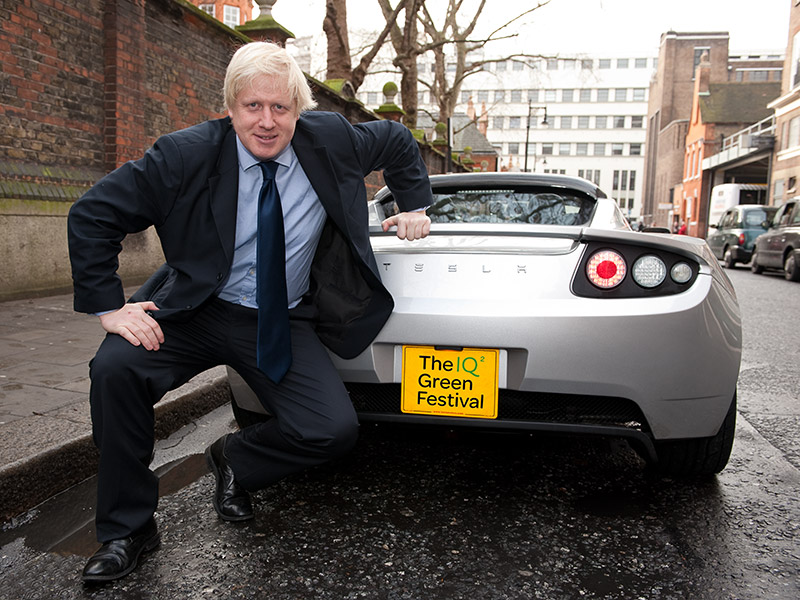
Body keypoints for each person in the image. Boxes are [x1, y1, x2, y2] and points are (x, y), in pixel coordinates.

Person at [68, 41, 432, 583]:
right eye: (252, 107)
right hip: (194, 308)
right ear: (231, 107)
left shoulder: (330, 140)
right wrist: (109, 308)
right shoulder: (184, 154)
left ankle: (236, 460)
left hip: (280, 317)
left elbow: (398, 139)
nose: (266, 122)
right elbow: (92, 214)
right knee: (115, 371)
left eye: (280, 108)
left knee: (330, 431)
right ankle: (128, 529)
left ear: (298, 110)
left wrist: (414, 202)